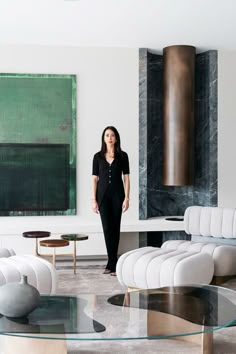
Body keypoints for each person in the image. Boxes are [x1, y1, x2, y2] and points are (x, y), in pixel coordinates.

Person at [92, 126, 130, 276]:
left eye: (112, 135)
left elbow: (126, 178)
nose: (109, 138)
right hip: (102, 197)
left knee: (115, 228)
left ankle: (112, 264)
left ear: (116, 138)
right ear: (104, 138)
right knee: (107, 229)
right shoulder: (97, 157)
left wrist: (127, 198)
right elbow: (94, 179)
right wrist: (93, 199)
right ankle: (112, 261)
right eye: (107, 135)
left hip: (118, 196)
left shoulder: (123, 156)